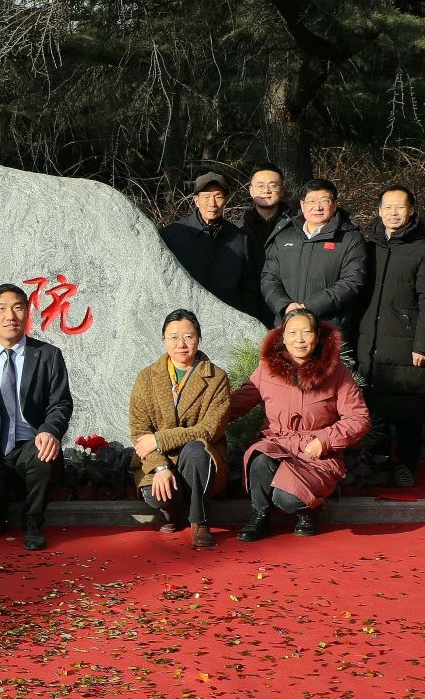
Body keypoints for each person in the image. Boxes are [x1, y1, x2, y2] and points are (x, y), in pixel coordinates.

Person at [0, 283, 74, 550]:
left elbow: (61, 403)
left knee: (44, 456)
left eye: (18, 308)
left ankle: (33, 523)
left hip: (31, 444)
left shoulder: (48, 355)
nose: (10, 316)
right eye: (2, 309)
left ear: (27, 313)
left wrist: (50, 430)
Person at [229, 312, 370, 539]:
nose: (299, 339)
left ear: (317, 336)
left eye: (306, 332)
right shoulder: (267, 370)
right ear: (283, 337)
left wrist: (324, 440)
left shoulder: (337, 373)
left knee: (287, 497)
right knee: (259, 457)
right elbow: (236, 404)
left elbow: (358, 418)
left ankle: (308, 510)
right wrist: (200, 417)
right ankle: (259, 515)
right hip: (277, 445)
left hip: (316, 456)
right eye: (292, 333)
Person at [356, 185, 425, 487]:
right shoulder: (368, 245)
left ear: (412, 210)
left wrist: (424, 345)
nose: (394, 213)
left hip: (407, 343)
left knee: (408, 407)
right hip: (370, 340)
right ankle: (378, 463)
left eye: (400, 207)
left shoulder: (423, 249)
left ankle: (406, 464)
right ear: (379, 211)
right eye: (388, 207)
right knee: (374, 406)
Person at [129, 309, 234, 548]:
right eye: (173, 337)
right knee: (156, 494)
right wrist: (160, 466)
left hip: (200, 461)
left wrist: (160, 439)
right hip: (160, 460)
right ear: (163, 340)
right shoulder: (146, 377)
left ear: (199, 338)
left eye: (188, 336)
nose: (181, 344)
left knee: (196, 449)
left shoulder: (216, 377)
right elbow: (140, 431)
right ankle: (171, 510)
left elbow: (208, 430)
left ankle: (199, 519)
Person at [261, 178, 368, 364]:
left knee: (328, 381)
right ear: (302, 205)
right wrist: (285, 306)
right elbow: (269, 278)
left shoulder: (350, 239)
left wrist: (308, 307)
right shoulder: (285, 235)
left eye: (324, 200)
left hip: (328, 330)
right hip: (287, 328)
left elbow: (352, 282)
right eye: (311, 201)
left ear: (334, 204)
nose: (317, 207)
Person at [159, 171, 255, 318]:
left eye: (218, 196)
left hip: (228, 320)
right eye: (206, 197)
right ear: (196, 200)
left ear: (226, 200)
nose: (212, 203)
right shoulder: (173, 235)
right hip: (186, 321)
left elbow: (249, 286)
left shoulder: (240, 238)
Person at [239, 162, 288, 316]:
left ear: (282, 190)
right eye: (260, 186)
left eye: (273, 185)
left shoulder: (297, 226)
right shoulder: (238, 229)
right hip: (248, 308)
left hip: (286, 305)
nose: (266, 191)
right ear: (251, 191)